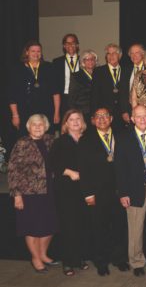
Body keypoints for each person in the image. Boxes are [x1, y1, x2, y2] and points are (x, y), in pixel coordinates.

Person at [114, 105, 146, 276]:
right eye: (138, 116)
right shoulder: (123, 138)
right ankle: (137, 262)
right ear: (132, 118)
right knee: (136, 228)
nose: (142, 119)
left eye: (145, 116)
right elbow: (119, 168)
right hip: (134, 188)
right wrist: (123, 192)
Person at [78, 108, 129, 276]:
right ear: (92, 120)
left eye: (105, 116)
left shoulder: (121, 136)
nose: (101, 119)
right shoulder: (86, 140)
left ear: (111, 118)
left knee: (119, 227)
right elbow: (83, 169)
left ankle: (120, 259)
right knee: (99, 228)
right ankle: (101, 262)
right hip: (98, 192)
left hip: (118, 191)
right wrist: (88, 193)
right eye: (97, 117)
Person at [8, 114, 58, 273]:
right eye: (34, 124)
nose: (38, 127)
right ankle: (35, 258)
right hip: (29, 192)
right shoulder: (22, 143)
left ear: (46, 126)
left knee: (49, 225)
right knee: (32, 227)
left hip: (50, 189)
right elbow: (13, 170)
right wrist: (16, 194)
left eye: (41, 124)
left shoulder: (51, 140)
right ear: (28, 127)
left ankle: (43, 254)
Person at [50, 110, 90, 276]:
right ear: (65, 123)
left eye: (78, 119)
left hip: (85, 189)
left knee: (82, 224)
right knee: (68, 226)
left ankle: (79, 258)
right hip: (66, 189)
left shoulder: (88, 140)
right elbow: (53, 163)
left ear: (82, 122)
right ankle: (68, 262)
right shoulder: (60, 142)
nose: (75, 122)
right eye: (71, 119)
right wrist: (69, 172)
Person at [9, 41, 61, 135]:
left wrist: (56, 112)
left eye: (38, 51)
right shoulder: (17, 69)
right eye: (33, 51)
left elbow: (55, 92)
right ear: (27, 52)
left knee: (47, 139)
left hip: (46, 111)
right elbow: (13, 95)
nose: (36, 54)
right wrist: (15, 115)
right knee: (27, 140)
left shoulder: (49, 67)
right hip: (25, 111)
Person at [91, 43, 126, 130]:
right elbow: (94, 95)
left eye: (114, 53)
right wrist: (94, 115)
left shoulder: (126, 70)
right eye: (108, 54)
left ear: (120, 55)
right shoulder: (98, 71)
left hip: (122, 114)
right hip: (104, 115)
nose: (111, 56)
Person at [53, 33, 81, 117]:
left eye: (73, 43)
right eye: (67, 43)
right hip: (63, 98)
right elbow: (55, 84)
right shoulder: (57, 62)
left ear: (77, 45)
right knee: (64, 124)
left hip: (80, 98)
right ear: (64, 46)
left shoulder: (84, 60)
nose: (70, 45)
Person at [118, 43, 145, 125]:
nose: (134, 55)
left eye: (137, 53)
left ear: (142, 54)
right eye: (132, 53)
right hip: (130, 110)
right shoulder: (125, 70)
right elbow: (122, 92)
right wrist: (124, 111)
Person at [69, 49, 97, 123]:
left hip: (96, 112)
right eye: (87, 59)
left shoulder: (100, 74)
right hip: (82, 111)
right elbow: (72, 96)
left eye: (92, 59)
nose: (90, 61)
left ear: (95, 61)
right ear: (83, 62)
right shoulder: (76, 76)